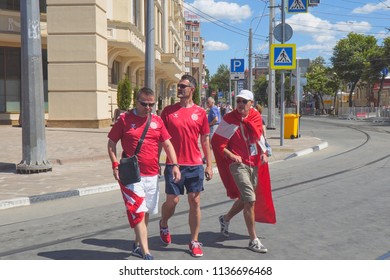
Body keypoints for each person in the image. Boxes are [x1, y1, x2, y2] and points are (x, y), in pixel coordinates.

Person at [107, 87, 181, 260]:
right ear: (136, 101)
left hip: (152, 174)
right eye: (144, 104)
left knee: (146, 210)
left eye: (151, 105)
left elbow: (168, 144)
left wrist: (175, 165)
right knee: (138, 210)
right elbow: (111, 143)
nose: (148, 108)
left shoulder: (157, 121)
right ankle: (145, 250)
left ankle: (137, 243)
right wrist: (115, 165)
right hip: (132, 174)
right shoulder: (125, 119)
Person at [211, 89, 276, 253]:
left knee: (245, 198)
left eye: (244, 101)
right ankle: (253, 240)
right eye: (238, 101)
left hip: (253, 162)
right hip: (237, 164)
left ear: (251, 104)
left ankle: (225, 219)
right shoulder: (229, 119)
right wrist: (232, 155)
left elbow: (260, 138)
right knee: (250, 199)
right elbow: (217, 143)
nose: (240, 104)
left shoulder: (255, 116)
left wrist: (264, 153)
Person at [159, 74, 213, 257]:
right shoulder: (167, 111)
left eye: (183, 86)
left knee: (195, 201)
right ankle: (164, 224)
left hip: (195, 164)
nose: (179, 89)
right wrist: (154, 160)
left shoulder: (200, 113)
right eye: (178, 85)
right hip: (173, 164)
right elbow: (161, 139)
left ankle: (194, 241)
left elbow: (205, 140)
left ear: (192, 89)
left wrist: (209, 165)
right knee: (172, 201)